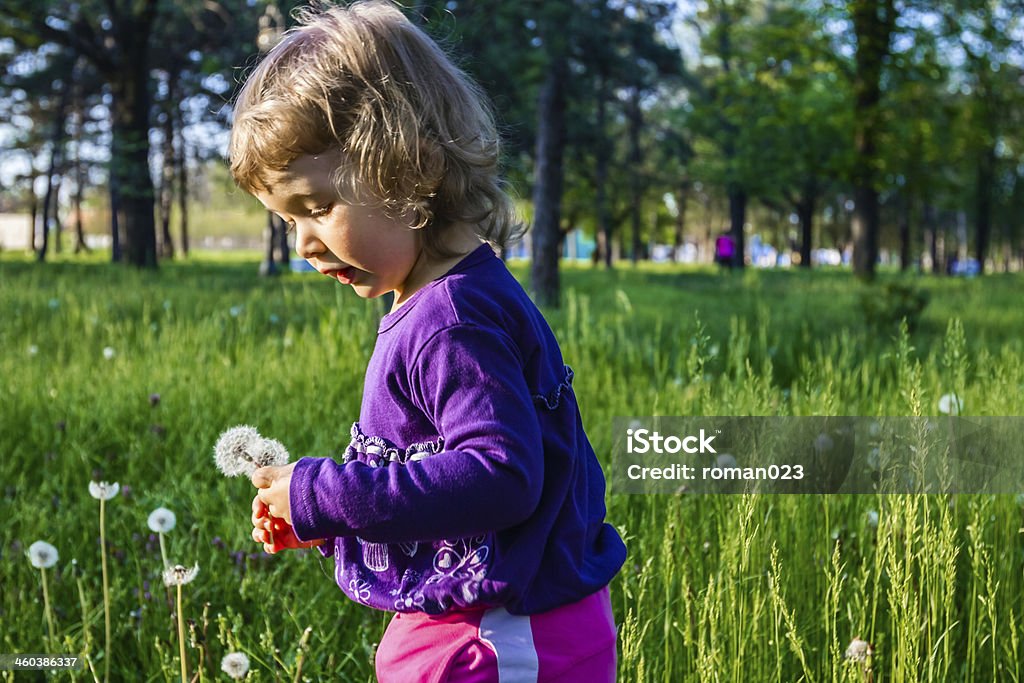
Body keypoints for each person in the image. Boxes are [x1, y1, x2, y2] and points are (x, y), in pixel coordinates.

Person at [228, 3, 627, 681]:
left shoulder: (452, 317)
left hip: (499, 636)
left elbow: (499, 475)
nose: (302, 243)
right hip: (482, 628)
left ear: (405, 167)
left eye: (317, 207)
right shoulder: (443, 298)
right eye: (287, 219)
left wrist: (328, 494)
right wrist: (323, 513)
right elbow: (431, 471)